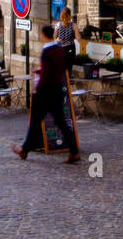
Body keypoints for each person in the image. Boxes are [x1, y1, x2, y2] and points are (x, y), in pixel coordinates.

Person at [12, 24, 80, 164]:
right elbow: (58, 69)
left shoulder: (46, 51)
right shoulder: (60, 50)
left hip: (45, 92)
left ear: (43, 35)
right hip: (57, 90)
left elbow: (47, 73)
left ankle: (24, 150)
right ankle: (74, 151)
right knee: (61, 122)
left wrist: (38, 88)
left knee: (36, 121)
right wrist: (41, 71)